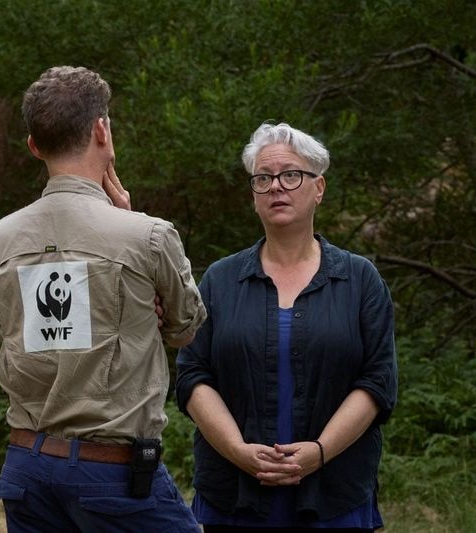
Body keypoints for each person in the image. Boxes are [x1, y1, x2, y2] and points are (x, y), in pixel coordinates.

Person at [0, 66, 207, 532]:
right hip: (113, 473)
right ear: (102, 130)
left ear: (34, 146)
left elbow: (15, 330)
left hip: (26, 467)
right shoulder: (147, 235)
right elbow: (185, 330)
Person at [175, 122, 398, 531]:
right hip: (234, 495)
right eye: (263, 178)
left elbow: (378, 380)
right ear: (253, 195)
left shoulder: (360, 279)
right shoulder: (220, 281)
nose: (276, 186)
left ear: (319, 188)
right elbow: (192, 374)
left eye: (290, 174)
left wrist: (320, 451)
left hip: (334, 496)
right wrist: (238, 450)